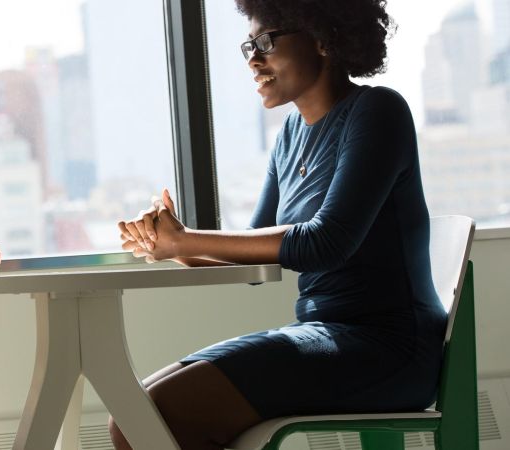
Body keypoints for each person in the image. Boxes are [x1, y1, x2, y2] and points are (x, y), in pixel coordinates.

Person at [112, 1, 447, 449]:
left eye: (266, 41)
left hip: (388, 349)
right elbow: (256, 260)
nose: (253, 58)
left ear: (323, 37)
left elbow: (326, 243)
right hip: (322, 334)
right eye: (249, 44)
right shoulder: (290, 135)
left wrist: (186, 239)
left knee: (158, 421)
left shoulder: (378, 111)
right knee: (132, 422)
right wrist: (170, 245)